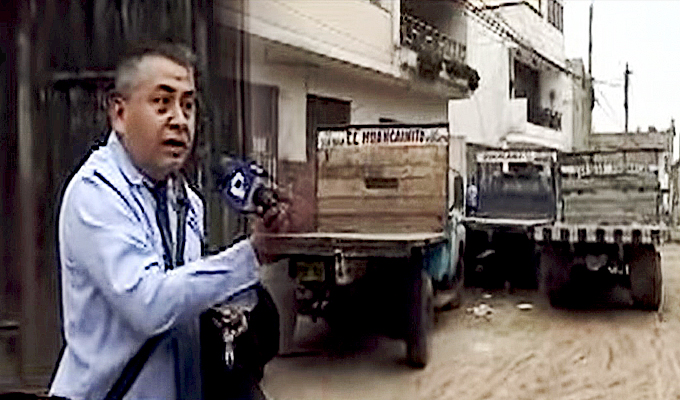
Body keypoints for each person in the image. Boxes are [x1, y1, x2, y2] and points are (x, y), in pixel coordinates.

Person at [49, 40, 286, 400]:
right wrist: (250, 255)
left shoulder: (186, 200)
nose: (179, 120)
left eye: (187, 105)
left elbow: (187, 292)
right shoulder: (95, 194)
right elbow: (149, 304)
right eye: (162, 103)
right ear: (119, 114)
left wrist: (243, 301)